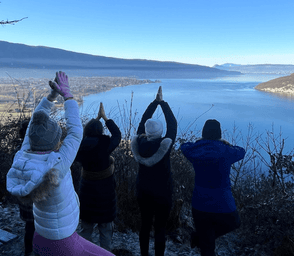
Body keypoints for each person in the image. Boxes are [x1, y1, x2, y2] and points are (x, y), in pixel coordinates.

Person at [6, 71, 114, 256]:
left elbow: (34, 123)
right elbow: (75, 132)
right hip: (63, 241)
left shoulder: (22, 157)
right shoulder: (56, 166)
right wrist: (67, 95)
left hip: (40, 237)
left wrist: (51, 96)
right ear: (56, 141)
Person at [180, 119, 246, 256]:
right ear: (219, 134)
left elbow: (184, 146)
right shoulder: (226, 151)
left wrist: (201, 142)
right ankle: (202, 238)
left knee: (206, 247)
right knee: (235, 222)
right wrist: (224, 143)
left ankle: (202, 238)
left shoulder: (195, 151)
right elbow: (241, 151)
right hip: (223, 203)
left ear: (203, 133)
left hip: (200, 203)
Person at [131, 86, 177, 256]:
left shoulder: (139, 144)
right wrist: (161, 103)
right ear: (160, 133)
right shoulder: (165, 145)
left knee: (144, 225)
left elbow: (143, 121)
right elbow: (172, 124)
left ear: (146, 132)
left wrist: (153, 104)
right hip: (163, 193)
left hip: (143, 191)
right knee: (160, 228)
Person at [75, 102, 122, 251]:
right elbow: (117, 135)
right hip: (105, 196)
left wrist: (95, 122)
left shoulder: (79, 146)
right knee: (106, 232)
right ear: (100, 131)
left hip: (86, 193)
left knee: (86, 230)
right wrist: (105, 118)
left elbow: (87, 139)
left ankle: (83, 253)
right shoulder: (104, 144)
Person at [15, 119, 35, 256]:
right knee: (37, 228)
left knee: (30, 227)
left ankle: (28, 251)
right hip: (36, 199)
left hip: (24, 197)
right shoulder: (37, 153)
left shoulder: (19, 152)